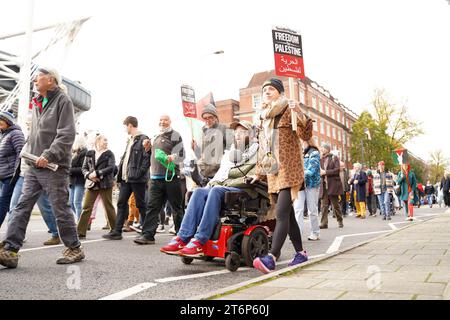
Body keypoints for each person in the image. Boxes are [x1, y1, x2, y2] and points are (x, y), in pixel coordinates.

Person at [0, 66, 84, 268]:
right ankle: (10, 249)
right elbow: (37, 135)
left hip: (54, 166)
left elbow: (66, 134)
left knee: (60, 209)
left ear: (51, 80)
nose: (35, 81)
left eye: (39, 78)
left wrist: (48, 155)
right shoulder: (38, 101)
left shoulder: (63, 101)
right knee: (21, 206)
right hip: (34, 165)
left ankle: (74, 248)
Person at [160, 120, 258, 256]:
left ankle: (200, 240)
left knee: (216, 190)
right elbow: (220, 174)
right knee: (199, 191)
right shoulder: (231, 153)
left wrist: (222, 184)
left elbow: (252, 177)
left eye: (242, 132)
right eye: (236, 132)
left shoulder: (257, 151)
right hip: (224, 186)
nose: (238, 135)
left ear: (252, 136)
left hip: (245, 190)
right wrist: (212, 183)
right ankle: (183, 237)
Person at [249, 78, 314, 274]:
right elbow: (263, 148)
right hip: (274, 171)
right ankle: (300, 253)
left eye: (271, 89)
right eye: (265, 89)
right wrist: (258, 173)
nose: (267, 92)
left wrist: (299, 111)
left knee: (281, 214)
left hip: (290, 167)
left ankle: (272, 257)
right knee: (288, 216)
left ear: (279, 92)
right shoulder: (264, 117)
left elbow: (305, 134)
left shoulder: (287, 108)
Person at [136, 115, 185, 245]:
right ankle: (147, 235)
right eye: (160, 120)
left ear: (170, 122)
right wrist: (146, 147)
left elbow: (181, 154)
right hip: (155, 177)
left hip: (171, 177)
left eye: (165, 120)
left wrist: (172, 157)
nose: (162, 122)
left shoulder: (175, 135)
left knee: (176, 207)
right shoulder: (155, 136)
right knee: (152, 206)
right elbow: (149, 155)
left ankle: (182, 236)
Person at [103, 116, 150, 240]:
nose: (125, 129)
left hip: (137, 178)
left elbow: (146, 159)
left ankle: (146, 232)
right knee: (121, 203)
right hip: (126, 179)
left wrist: (139, 173)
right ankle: (117, 231)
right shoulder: (130, 140)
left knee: (141, 204)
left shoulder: (143, 139)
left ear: (130, 125)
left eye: (125, 126)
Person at [77, 135, 117, 238]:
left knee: (108, 207)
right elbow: (84, 168)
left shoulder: (109, 154)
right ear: (98, 141)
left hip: (105, 184)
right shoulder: (90, 153)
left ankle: (115, 231)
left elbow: (111, 168)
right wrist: (89, 175)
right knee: (86, 207)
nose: (106, 142)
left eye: (106, 140)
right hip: (92, 184)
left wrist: (97, 173)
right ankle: (80, 232)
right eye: (104, 140)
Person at [191, 104, 232, 185]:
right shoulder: (204, 131)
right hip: (205, 174)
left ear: (215, 117)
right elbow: (202, 154)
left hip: (219, 173)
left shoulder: (224, 128)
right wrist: (195, 149)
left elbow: (231, 149)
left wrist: (221, 161)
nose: (207, 120)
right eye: (205, 118)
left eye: (210, 117)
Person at [0, 110, 25, 228]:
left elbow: (21, 155)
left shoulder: (16, 134)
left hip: (10, 176)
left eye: (1, 123)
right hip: (2, 175)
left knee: (4, 203)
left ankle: (14, 232)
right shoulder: (3, 134)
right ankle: (15, 231)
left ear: (8, 122)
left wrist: (16, 174)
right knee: (8, 204)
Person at [293, 138, 321, 241]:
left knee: (312, 210)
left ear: (307, 141)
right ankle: (297, 234)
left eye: (301, 141)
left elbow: (312, 169)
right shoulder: (299, 152)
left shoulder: (314, 152)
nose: (300, 142)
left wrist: (299, 174)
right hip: (300, 184)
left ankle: (315, 232)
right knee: (298, 209)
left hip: (311, 184)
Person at [319, 143, 344, 229]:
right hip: (323, 185)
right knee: (324, 205)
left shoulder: (334, 157)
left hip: (333, 185)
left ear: (327, 149)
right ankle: (324, 223)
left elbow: (337, 170)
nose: (321, 149)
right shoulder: (320, 159)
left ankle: (340, 220)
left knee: (335, 204)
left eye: (322, 148)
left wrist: (326, 172)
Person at [69, 134, 87, 221]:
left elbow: (82, 168)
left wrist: (70, 170)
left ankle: (80, 222)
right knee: (71, 202)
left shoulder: (84, 153)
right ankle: (81, 220)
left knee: (77, 202)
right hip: (72, 181)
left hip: (80, 181)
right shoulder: (74, 153)